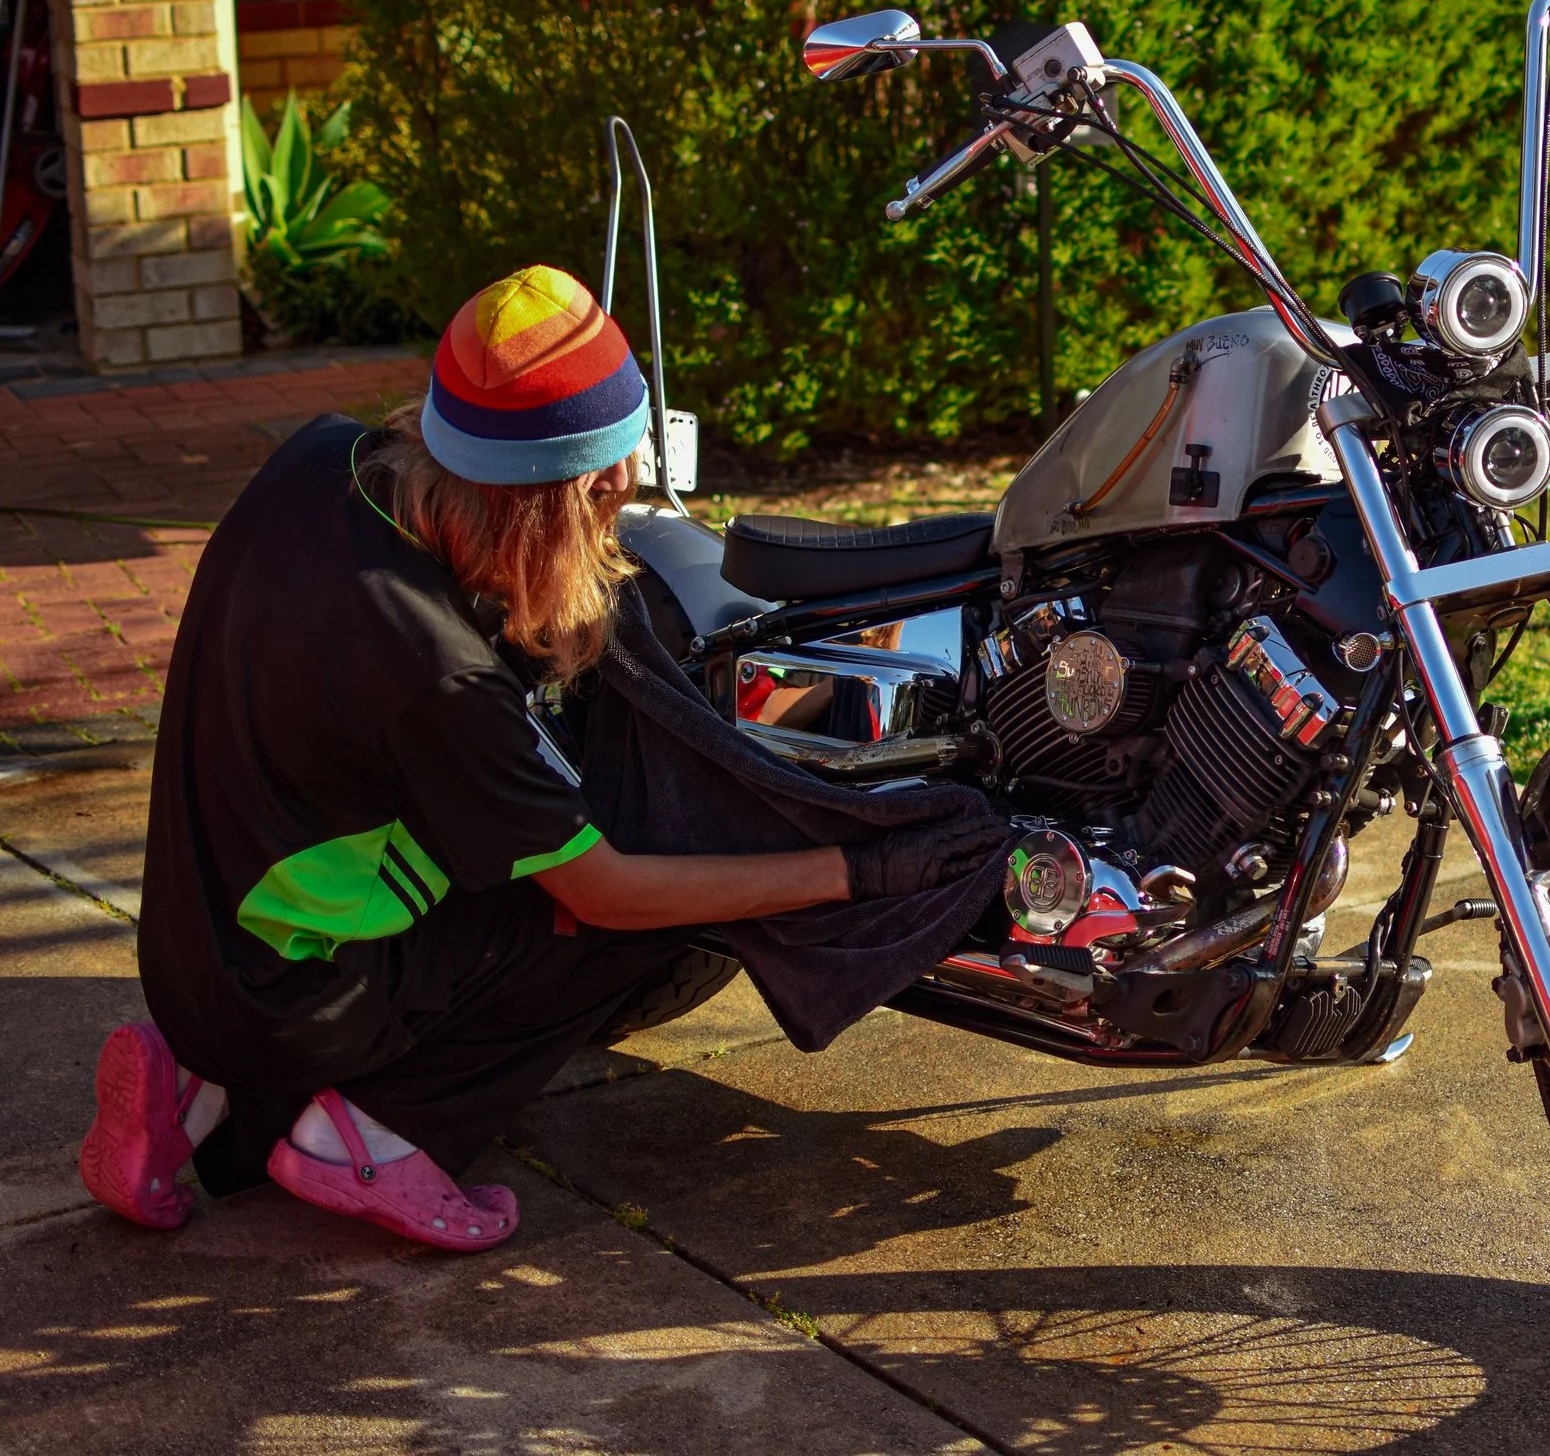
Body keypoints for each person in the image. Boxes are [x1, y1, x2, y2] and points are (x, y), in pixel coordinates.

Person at [79, 266, 996, 1251]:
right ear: (573, 495)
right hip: (296, 992)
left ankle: (198, 1091)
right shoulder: (436, 676)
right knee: (623, 902)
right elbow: (609, 889)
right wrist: (847, 870)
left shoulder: (320, 459)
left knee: (482, 879)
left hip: (207, 937)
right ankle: (383, 1132)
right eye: (611, 494)